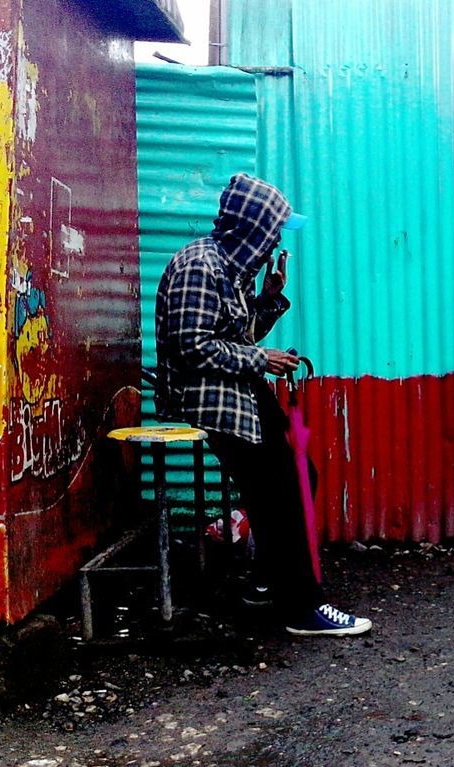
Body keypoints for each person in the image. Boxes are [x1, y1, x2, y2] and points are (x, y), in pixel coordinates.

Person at [154, 173, 372, 637]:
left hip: (240, 393)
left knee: (296, 478)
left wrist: (269, 301)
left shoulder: (230, 270)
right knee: (281, 492)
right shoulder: (200, 267)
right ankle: (302, 608)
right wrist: (260, 359)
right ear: (253, 227)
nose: (276, 238)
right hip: (210, 400)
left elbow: (240, 335)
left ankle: (269, 584)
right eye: (273, 228)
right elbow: (189, 346)